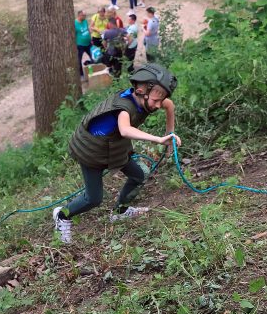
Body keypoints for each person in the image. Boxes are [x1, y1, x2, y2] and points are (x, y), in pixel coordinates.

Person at [52, 64, 181, 243]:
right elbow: (125, 130)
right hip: (92, 151)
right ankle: (62, 215)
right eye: (156, 101)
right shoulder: (124, 109)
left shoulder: (148, 98)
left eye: (161, 100)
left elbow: (170, 105)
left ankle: (120, 212)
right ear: (141, 90)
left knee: (139, 174)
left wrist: (169, 134)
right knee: (93, 198)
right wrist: (159, 139)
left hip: (114, 147)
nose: (159, 105)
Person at [74, 10, 91, 78]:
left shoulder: (85, 21)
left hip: (88, 43)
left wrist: (90, 37)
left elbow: (87, 29)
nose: (85, 17)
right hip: (80, 45)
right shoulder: (75, 23)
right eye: (84, 15)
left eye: (85, 15)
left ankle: (91, 72)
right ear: (79, 15)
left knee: (93, 57)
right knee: (79, 59)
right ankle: (81, 74)